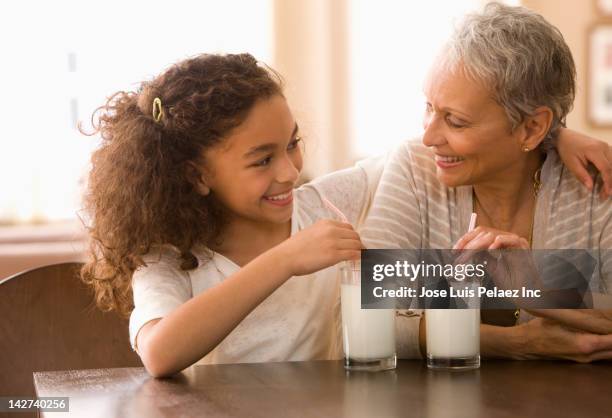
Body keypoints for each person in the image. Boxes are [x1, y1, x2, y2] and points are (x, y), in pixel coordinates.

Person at [81, 51, 610, 377]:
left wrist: (552, 134)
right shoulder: (169, 255)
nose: (289, 172)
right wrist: (286, 259)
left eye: (292, 145)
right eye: (261, 160)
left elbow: (445, 143)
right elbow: (160, 353)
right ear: (196, 175)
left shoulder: (325, 203)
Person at [361, 2, 612, 362]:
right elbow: (363, 322)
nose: (429, 136)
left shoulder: (593, 183)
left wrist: (539, 291)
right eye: (430, 107)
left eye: (456, 121)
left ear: (532, 127)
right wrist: (519, 343)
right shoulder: (416, 170)